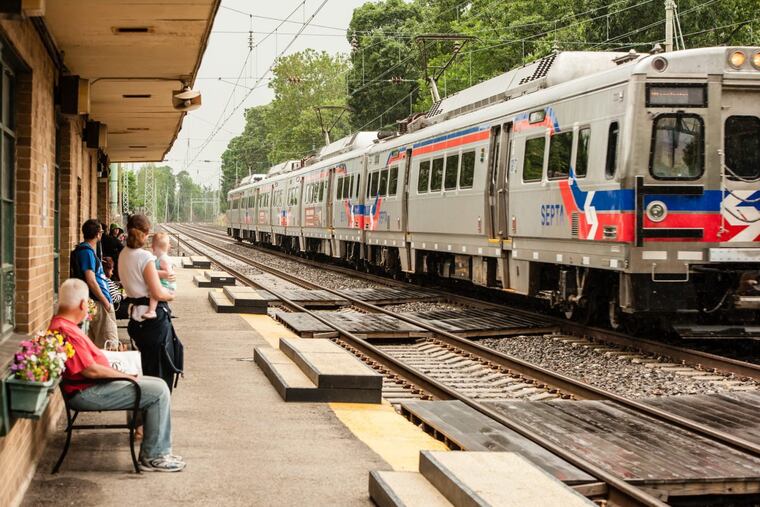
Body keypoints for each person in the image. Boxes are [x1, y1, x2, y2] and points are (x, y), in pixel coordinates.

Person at [51, 278, 185, 472]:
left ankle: (156, 449)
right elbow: (91, 370)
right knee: (158, 390)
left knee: (154, 383)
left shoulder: (63, 325)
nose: (88, 310)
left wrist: (120, 366)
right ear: (82, 304)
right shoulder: (67, 331)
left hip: (90, 386)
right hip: (87, 392)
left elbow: (90, 364)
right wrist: (125, 376)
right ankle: (153, 456)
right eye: (87, 305)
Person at [118, 214, 183, 390]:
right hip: (153, 321)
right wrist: (171, 296)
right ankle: (155, 412)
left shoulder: (123, 255)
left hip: (136, 318)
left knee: (145, 369)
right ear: (146, 234)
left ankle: (144, 413)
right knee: (159, 376)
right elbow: (157, 292)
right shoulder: (145, 257)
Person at [72, 219, 117, 348]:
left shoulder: (87, 251)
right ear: (98, 234)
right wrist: (105, 302)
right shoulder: (86, 252)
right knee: (109, 343)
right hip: (99, 302)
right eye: (101, 232)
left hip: (98, 301)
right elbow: (91, 280)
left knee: (95, 343)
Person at [143, 233, 175, 320]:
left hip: (167, 287)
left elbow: (168, 273)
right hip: (164, 285)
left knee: (154, 292)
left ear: (153, 247)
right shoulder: (159, 258)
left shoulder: (163, 259)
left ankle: (152, 311)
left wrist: (152, 272)